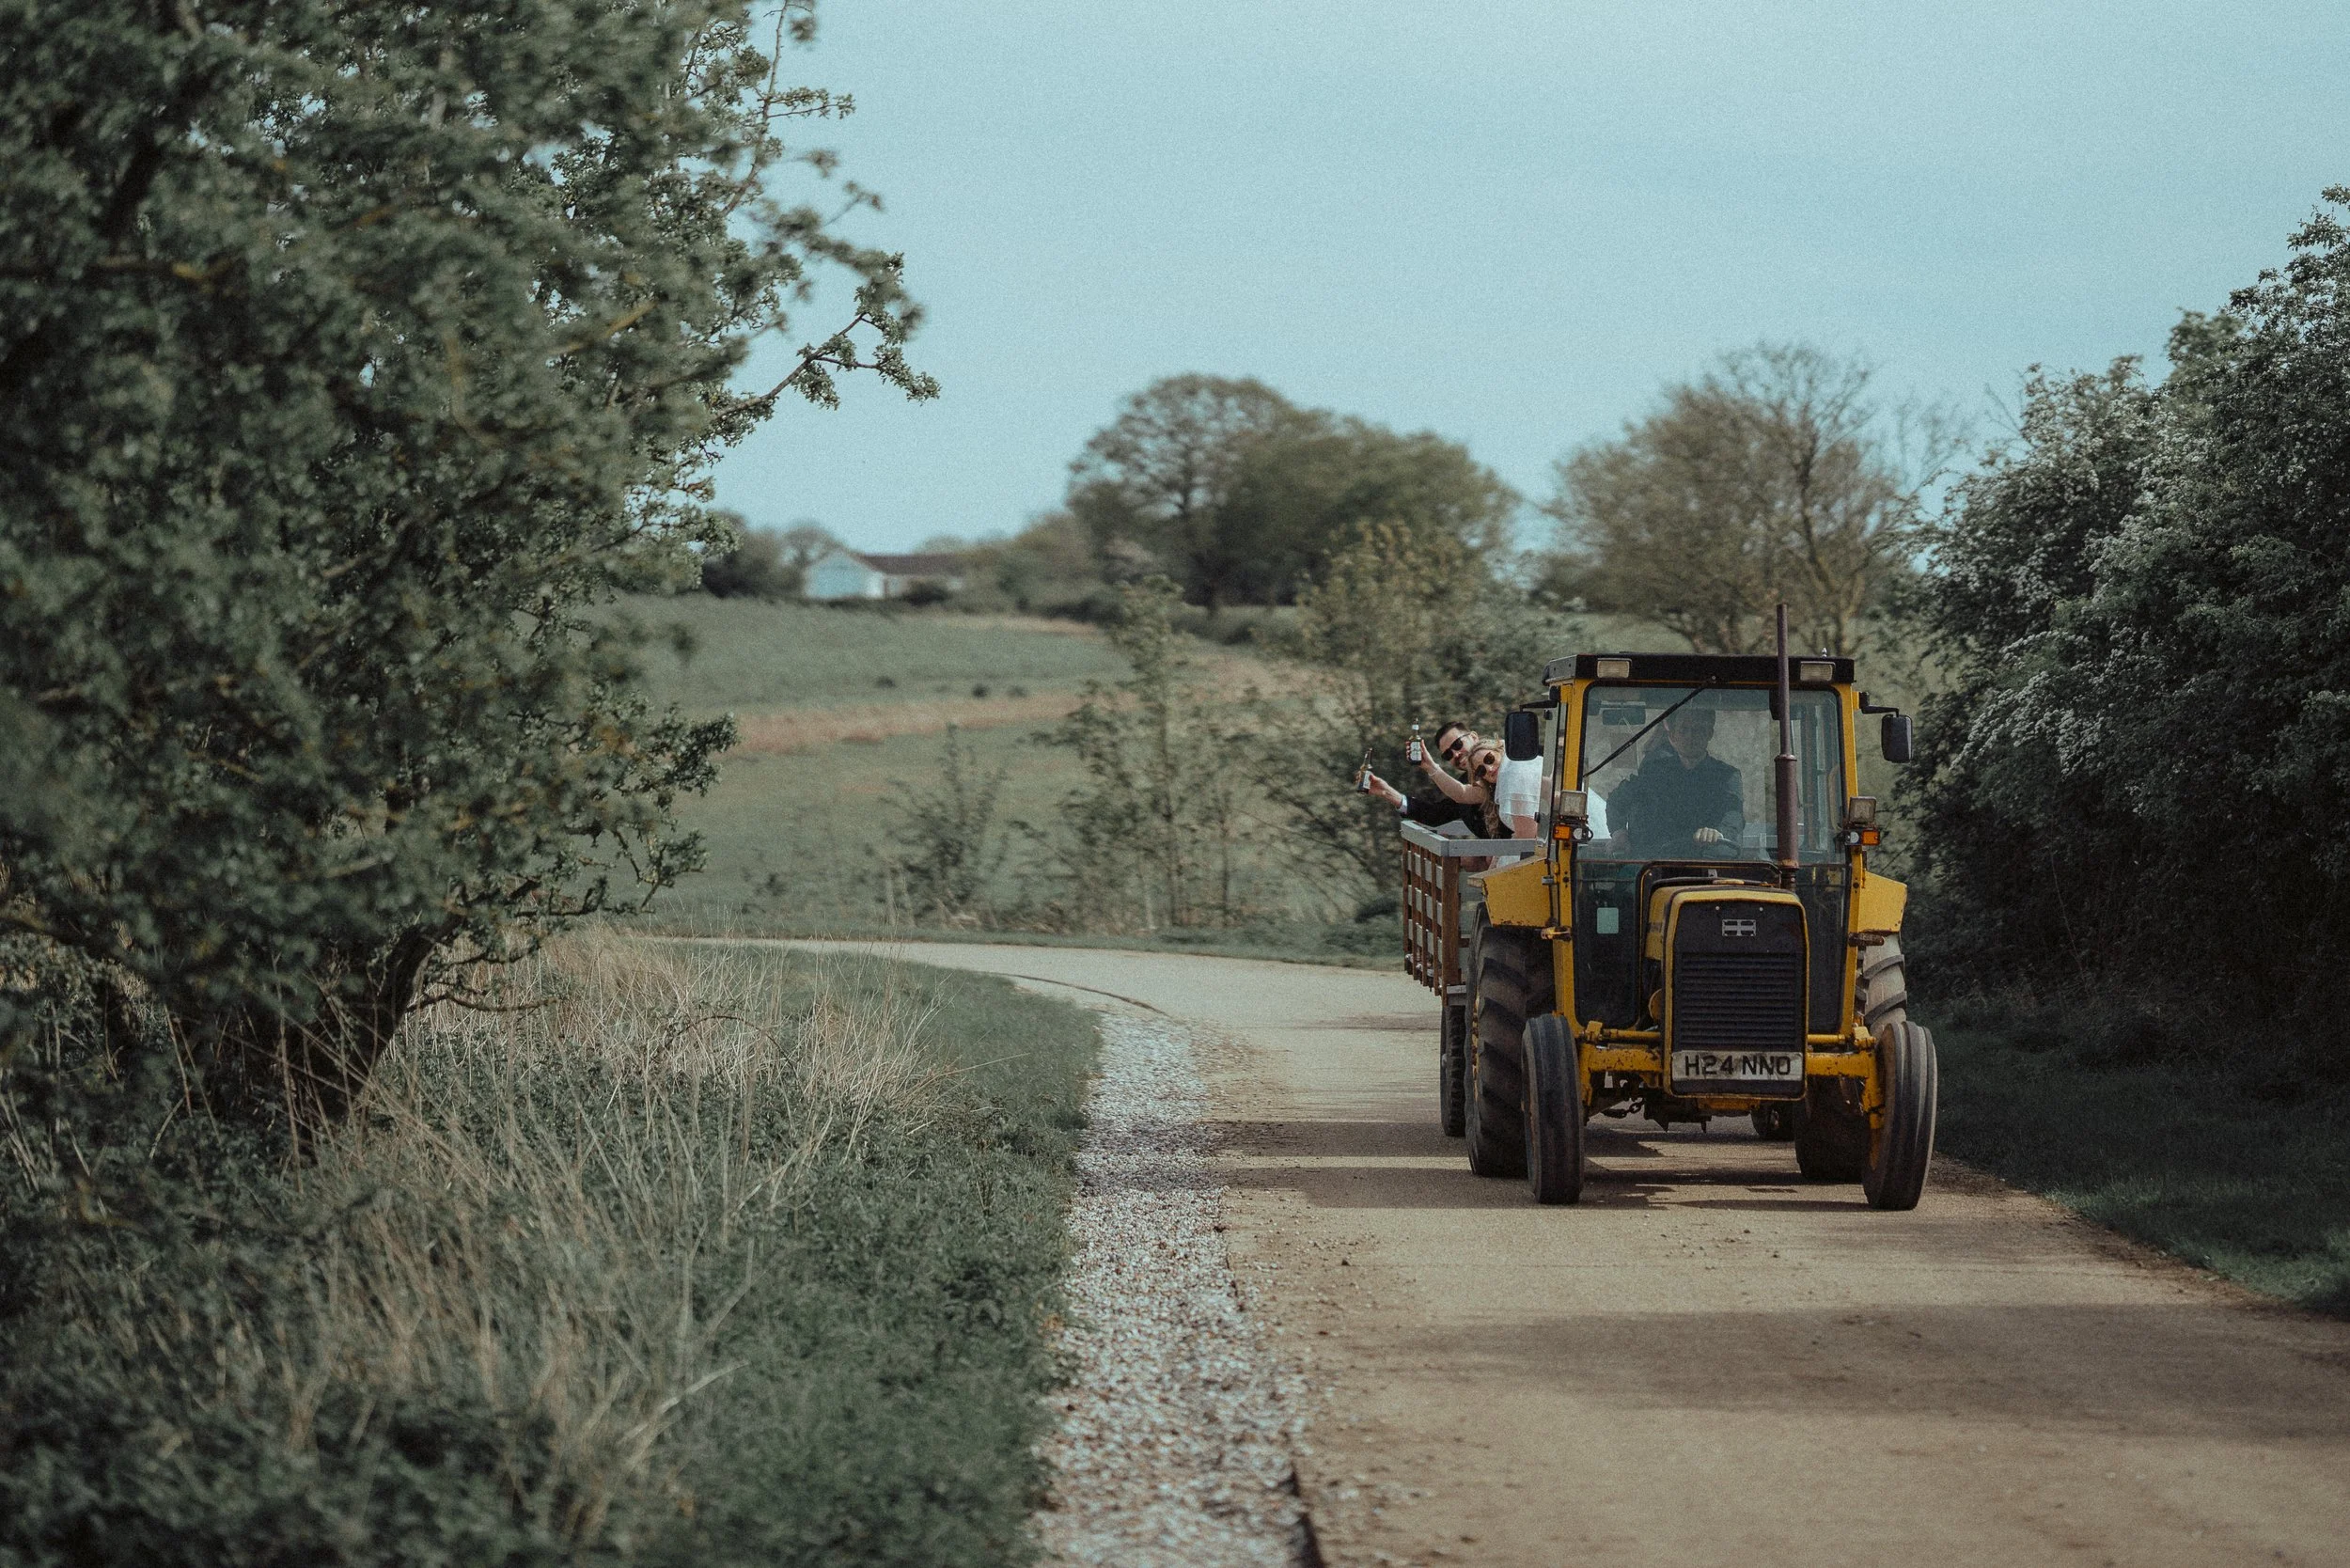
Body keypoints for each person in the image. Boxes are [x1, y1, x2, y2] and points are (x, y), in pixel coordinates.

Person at [1603, 703, 1744, 857]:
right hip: (1652, 867)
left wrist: (1718, 833)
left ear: (1709, 734)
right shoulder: (1653, 773)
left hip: (1704, 866)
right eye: (1684, 730)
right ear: (1672, 736)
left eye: (1698, 730)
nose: (1690, 736)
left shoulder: (1726, 776)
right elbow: (1617, 802)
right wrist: (1619, 833)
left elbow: (1733, 815)